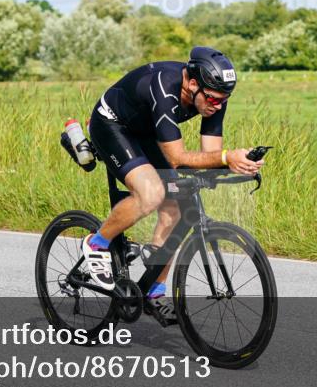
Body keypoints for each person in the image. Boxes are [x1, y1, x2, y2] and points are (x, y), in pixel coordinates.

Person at [83, 46, 265, 325]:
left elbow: (210, 153)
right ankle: (97, 243)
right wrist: (228, 157)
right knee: (151, 193)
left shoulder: (214, 92)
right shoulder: (164, 88)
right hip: (112, 125)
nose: (217, 105)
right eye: (214, 100)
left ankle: (153, 291)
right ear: (192, 83)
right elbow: (177, 158)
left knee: (176, 206)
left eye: (224, 100)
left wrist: (238, 164)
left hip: (145, 131)